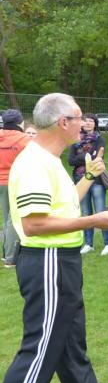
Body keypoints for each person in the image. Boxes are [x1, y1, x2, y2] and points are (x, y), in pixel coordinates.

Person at [0, 93, 108, 383]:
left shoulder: (49, 160)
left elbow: (64, 205)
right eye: (78, 118)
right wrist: (94, 220)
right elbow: (35, 225)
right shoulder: (34, 164)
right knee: (40, 347)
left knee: (71, 343)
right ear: (62, 123)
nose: (84, 125)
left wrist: (89, 176)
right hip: (47, 262)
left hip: (62, 261)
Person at [68, 114, 108, 256]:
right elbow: (70, 160)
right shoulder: (75, 139)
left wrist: (81, 157)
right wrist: (87, 157)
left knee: (101, 211)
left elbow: (98, 158)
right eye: (85, 121)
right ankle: (88, 244)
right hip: (80, 179)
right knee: (86, 212)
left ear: (95, 124)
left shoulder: (99, 139)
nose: (87, 123)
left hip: (97, 180)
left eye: (91, 121)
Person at [0, 110, 29, 267]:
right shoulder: (25, 140)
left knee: (6, 219)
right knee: (14, 219)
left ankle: (6, 253)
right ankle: (11, 258)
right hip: (16, 182)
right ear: (19, 122)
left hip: (1, 183)